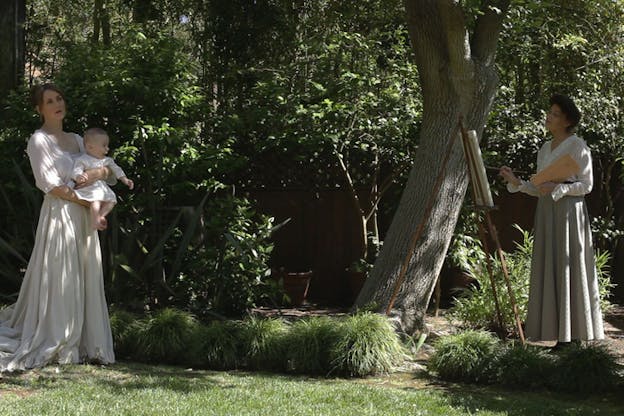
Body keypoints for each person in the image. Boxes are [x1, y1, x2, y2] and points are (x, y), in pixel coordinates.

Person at [0, 83, 115, 371]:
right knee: (62, 277)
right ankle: (60, 338)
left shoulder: (78, 139)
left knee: (84, 274)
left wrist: (98, 173)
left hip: (84, 220)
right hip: (62, 214)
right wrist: (88, 202)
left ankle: (89, 343)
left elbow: (106, 170)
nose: (56, 104)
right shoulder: (38, 141)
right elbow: (50, 185)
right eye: (49, 101)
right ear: (40, 109)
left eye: (59, 98)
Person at [499, 93, 604, 348]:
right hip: (546, 213)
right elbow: (538, 187)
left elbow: (587, 185)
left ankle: (574, 337)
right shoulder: (545, 148)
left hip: (569, 213)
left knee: (568, 266)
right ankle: (558, 336)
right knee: (551, 267)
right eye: (549, 112)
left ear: (567, 120)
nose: (549, 117)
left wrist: (559, 188)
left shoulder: (577, 145)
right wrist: (517, 183)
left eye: (555, 114)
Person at [72, 127, 134, 230]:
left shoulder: (107, 161)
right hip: (89, 187)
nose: (107, 149)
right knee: (95, 200)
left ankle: (101, 216)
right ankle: (95, 219)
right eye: (104, 146)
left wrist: (125, 179)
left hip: (101, 187)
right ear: (90, 147)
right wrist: (78, 176)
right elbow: (76, 170)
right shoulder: (83, 159)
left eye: (107, 146)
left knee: (112, 200)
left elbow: (116, 169)